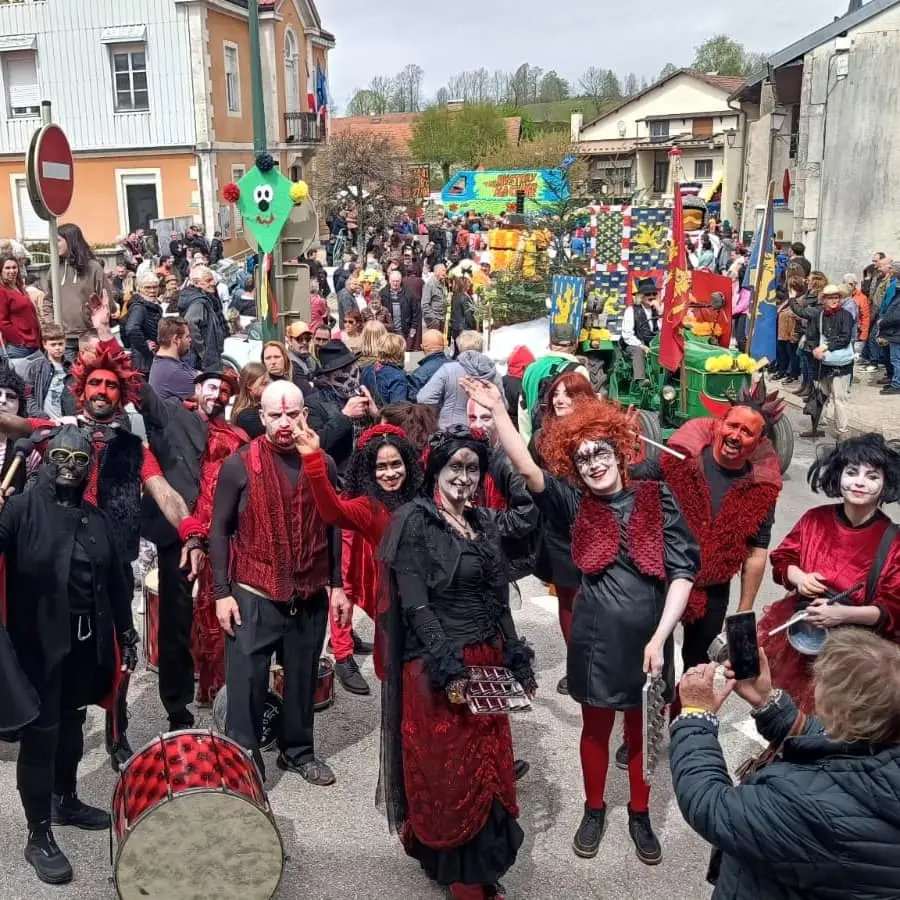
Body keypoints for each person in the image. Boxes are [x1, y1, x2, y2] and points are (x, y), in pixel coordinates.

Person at [463, 380, 699, 864]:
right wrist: (501, 414)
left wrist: (660, 637)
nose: (594, 463)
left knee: (642, 732)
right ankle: (593, 809)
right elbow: (528, 469)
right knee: (595, 729)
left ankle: (639, 813)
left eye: (601, 452)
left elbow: (682, 572)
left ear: (618, 450)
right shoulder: (574, 504)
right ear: (575, 463)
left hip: (651, 643)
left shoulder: (656, 498)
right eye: (584, 457)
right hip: (595, 641)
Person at [377, 426, 537, 900]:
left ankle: (481, 869)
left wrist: (516, 658)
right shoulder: (415, 522)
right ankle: (461, 879)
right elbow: (416, 606)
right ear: (436, 471)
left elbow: (498, 599)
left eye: (473, 469)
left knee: (487, 770)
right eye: (456, 468)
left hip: (487, 661)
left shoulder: (483, 522)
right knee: (451, 773)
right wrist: (451, 669)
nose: (464, 477)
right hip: (438, 669)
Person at [0, 426, 139, 886]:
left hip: (85, 643)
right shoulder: (20, 509)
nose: (70, 466)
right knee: (42, 736)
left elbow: (117, 580)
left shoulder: (94, 518)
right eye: (60, 455)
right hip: (35, 646)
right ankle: (37, 835)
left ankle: (66, 799)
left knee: (74, 725)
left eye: (79, 460)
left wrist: (127, 630)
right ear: (46, 458)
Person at [670, 630, 900, 900]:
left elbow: (711, 804)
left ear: (841, 714)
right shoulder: (882, 745)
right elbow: (837, 747)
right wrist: (768, 701)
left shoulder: (809, 807)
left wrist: (696, 716)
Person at [210, 380, 345, 785]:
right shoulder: (239, 464)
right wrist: (221, 593)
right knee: (246, 685)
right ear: (261, 416)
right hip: (254, 594)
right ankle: (244, 761)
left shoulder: (322, 463)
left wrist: (338, 585)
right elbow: (219, 529)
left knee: (302, 678)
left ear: (304, 413)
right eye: (275, 415)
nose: (284, 423)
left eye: (292, 413)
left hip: (308, 594)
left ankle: (298, 752)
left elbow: (335, 526)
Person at [758, 434, 900, 714]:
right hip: (802, 636)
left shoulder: (894, 541)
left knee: (835, 724)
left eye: (872, 476)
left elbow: (892, 608)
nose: (859, 482)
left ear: (886, 484)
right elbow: (782, 560)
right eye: (851, 472)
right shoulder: (814, 519)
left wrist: (843, 615)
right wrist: (799, 578)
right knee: (788, 716)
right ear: (839, 476)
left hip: (854, 651)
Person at [298, 422, 421, 695]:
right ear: (369, 470)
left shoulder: (422, 497)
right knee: (398, 686)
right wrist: (313, 461)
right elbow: (332, 512)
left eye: (396, 464)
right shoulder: (369, 507)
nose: (390, 473)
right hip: (395, 609)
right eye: (381, 467)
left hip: (431, 608)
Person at [305, 340, 378, 473]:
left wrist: (376, 414)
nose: (351, 382)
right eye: (341, 379)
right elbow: (316, 444)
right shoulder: (314, 403)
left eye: (354, 374)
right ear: (328, 379)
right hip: (340, 477)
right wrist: (345, 416)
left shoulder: (368, 392)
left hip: (370, 472)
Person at [41, 224, 108, 362]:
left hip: (91, 336)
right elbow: (47, 300)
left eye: (58, 240)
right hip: (64, 339)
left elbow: (108, 301)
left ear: (71, 241)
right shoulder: (53, 270)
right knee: (70, 380)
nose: (54, 244)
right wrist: (52, 324)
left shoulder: (93, 268)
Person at [417, 330, 504, 428]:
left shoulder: (448, 369)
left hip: (452, 429)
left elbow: (424, 398)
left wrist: (440, 409)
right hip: (485, 426)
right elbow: (503, 404)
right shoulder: (494, 373)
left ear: (459, 347)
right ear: (481, 348)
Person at [517, 324, 590, 440]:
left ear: (550, 343)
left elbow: (523, 411)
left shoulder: (531, 368)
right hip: (562, 444)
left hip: (535, 441)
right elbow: (585, 412)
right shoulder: (578, 371)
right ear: (575, 344)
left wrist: (527, 445)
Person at [806, 283, 854, 441]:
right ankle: (818, 424)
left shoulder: (846, 315)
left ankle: (842, 430)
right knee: (821, 395)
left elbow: (845, 338)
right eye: (830, 298)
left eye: (836, 297)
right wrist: (814, 350)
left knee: (839, 398)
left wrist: (825, 347)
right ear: (824, 300)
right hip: (822, 363)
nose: (834, 300)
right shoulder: (818, 316)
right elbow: (811, 335)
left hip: (841, 364)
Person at [178, 265, 227, 371]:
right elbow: (189, 322)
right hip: (202, 360)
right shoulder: (198, 302)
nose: (213, 283)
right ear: (196, 283)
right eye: (208, 280)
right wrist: (202, 350)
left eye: (212, 280)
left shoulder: (204, 298)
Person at [0, 255, 41, 362]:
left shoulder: (19, 287)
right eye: (7, 268)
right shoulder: (2, 291)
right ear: (1, 270)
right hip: (19, 347)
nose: (12, 271)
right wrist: (19, 341)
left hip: (33, 342)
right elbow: (2, 321)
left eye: (14, 267)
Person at [24, 323, 70, 418]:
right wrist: (41, 416)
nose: (57, 348)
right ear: (45, 345)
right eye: (53, 345)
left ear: (65, 343)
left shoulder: (71, 367)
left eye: (60, 344)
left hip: (66, 420)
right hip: (44, 420)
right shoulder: (36, 367)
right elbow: (27, 396)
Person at [621, 279, 661, 382]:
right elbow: (627, 335)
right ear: (641, 296)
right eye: (648, 294)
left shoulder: (659, 310)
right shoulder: (631, 310)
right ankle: (641, 381)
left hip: (654, 343)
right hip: (635, 344)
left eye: (654, 294)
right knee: (638, 351)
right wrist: (642, 346)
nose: (652, 296)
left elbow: (663, 330)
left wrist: (660, 311)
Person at [123, 271, 162, 374]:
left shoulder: (148, 304)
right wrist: (145, 347)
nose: (152, 291)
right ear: (140, 289)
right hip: (143, 361)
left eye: (155, 287)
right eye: (148, 288)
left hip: (145, 359)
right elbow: (131, 329)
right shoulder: (139, 307)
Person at [148, 317, 194, 401]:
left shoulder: (163, 362)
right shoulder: (173, 371)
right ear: (176, 339)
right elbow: (208, 395)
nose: (190, 340)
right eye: (187, 336)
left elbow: (197, 374)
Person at [361, 333, 409, 406]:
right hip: (384, 416)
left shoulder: (367, 369)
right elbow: (398, 410)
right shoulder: (397, 376)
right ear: (400, 352)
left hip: (367, 415)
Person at [230, 362, 269, 440]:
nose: (268, 387)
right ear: (249, 385)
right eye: (264, 384)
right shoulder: (248, 417)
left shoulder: (254, 409)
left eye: (268, 383)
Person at [407, 329, 449, 399]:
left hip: (429, 409)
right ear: (443, 347)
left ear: (422, 347)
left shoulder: (420, 374)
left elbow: (413, 400)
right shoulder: (455, 367)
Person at [380, 270, 416, 346]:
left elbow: (415, 312)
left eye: (397, 281)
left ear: (401, 281)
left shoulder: (409, 293)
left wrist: (413, 326)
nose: (395, 283)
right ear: (389, 281)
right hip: (388, 331)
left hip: (403, 330)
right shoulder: (383, 294)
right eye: (393, 281)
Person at [502, 346, 535, 428]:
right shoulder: (524, 387)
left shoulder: (500, 381)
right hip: (518, 429)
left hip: (501, 427)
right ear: (524, 367)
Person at [421, 263, 448, 333]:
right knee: (434, 342)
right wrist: (433, 319)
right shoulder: (430, 284)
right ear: (436, 271)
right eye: (443, 271)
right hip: (434, 321)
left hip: (441, 319)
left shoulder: (441, 283)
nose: (445, 273)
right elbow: (424, 304)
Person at [449, 276, 476, 344]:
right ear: (464, 284)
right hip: (463, 327)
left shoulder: (455, 295)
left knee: (457, 349)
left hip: (455, 326)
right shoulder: (463, 297)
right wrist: (473, 324)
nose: (470, 284)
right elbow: (467, 313)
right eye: (468, 282)